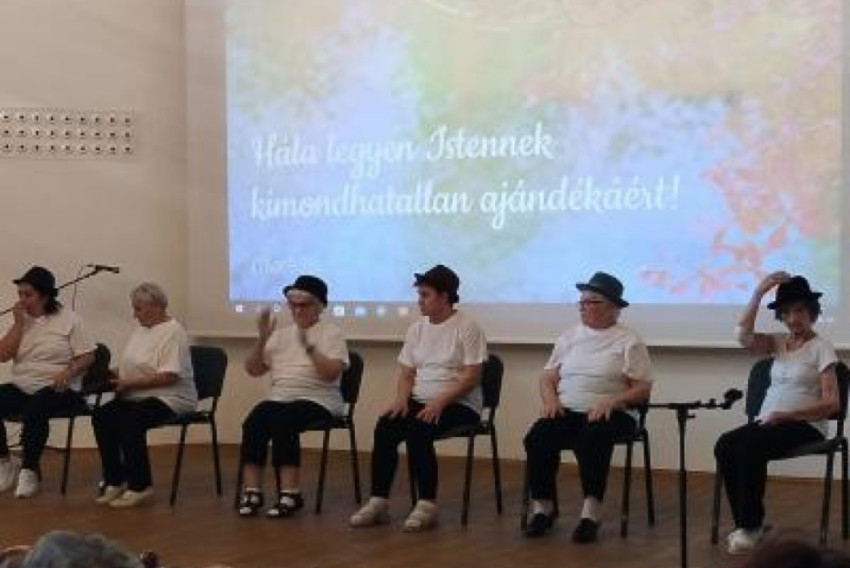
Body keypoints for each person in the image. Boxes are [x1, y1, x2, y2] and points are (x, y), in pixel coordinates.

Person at [349, 264, 487, 531]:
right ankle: (379, 501)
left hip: (459, 404)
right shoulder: (416, 329)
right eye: (419, 295)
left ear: (444, 296)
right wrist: (401, 399)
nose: (419, 301)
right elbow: (406, 373)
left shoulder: (467, 327)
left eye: (425, 295)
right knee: (386, 425)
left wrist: (439, 402)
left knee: (418, 430)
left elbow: (472, 376)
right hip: (421, 400)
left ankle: (427, 504)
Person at [522, 271, 653, 542]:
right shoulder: (570, 336)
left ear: (613, 308)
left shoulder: (629, 340)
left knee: (592, 438)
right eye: (581, 302)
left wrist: (613, 400)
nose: (583, 307)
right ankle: (543, 508)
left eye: (591, 302)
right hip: (568, 409)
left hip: (614, 413)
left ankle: (591, 513)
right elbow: (547, 377)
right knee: (537, 437)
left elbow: (642, 389)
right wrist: (550, 400)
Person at [715, 272, 839, 554]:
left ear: (812, 312)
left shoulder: (822, 348)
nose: (793, 319)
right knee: (725, 444)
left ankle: (750, 527)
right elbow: (741, 336)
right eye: (786, 312)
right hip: (768, 423)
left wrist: (786, 415)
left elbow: (832, 403)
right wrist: (758, 293)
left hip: (804, 425)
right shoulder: (777, 343)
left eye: (800, 311)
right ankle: (749, 524)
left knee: (750, 445)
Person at [237, 275, 349, 518]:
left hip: (319, 399)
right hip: (280, 397)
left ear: (320, 305)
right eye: (293, 304)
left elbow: (330, 374)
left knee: (284, 420)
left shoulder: (331, 333)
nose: (298, 310)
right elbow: (253, 369)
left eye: (304, 304)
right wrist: (262, 338)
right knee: (255, 420)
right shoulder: (280, 335)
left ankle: (290, 493)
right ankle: (252, 491)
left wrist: (309, 348)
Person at [92, 282, 197, 508]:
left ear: (156, 306)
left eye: (138, 309)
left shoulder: (173, 332)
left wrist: (128, 383)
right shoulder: (142, 329)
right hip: (138, 394)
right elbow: (134, 366)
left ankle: (140, 486)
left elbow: (169, 376)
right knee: (102, 416)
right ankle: (115, 480)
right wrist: (107, 374)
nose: (134, 314)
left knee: (131, 420)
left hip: (171, 397)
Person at [0, 266, 95, 498]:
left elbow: (88, 356)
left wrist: (70, 370)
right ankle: (5, 461)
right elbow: (3, 355)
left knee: (36, 408)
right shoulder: (21, 320)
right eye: (20, 294)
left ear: (45, 296)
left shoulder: (70, 319)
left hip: (60, 387)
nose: (22, 300)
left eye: (28, 294)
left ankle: (29, 470)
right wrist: (18, 324)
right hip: (24, 385)